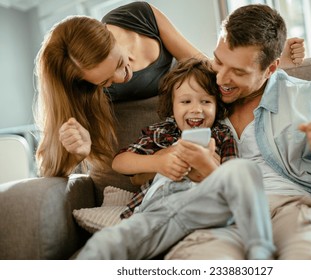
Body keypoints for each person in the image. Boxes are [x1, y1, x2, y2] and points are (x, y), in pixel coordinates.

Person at [165, 4, 311, 260]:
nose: (221, 79)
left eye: (238, 72)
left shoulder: (309, 99)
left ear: (271, 69)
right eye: (218, 61)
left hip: (296, 210)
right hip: (223, 216)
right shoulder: (200, 96)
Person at [34, 1, 305, 178]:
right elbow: (96, 158)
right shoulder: (86, 89)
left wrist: (269, 61)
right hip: (161, 148)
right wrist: (80, 151)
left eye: (119, 63)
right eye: (106, 82)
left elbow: (205, 68)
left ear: (109, 36)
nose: (122, 77)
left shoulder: (140, 15)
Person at [75, 58, 275, 260]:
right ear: (173, 106)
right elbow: (120, 162)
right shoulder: (163, 131)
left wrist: (206, 167)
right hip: (158, 209)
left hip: (202, 206)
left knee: (244, 169)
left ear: (217, 105)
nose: (196, 109)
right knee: (103, 243)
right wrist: (158, 162)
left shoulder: (221, 134)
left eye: (206, 101)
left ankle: (260, 251)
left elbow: (233, 186)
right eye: (186, 101)